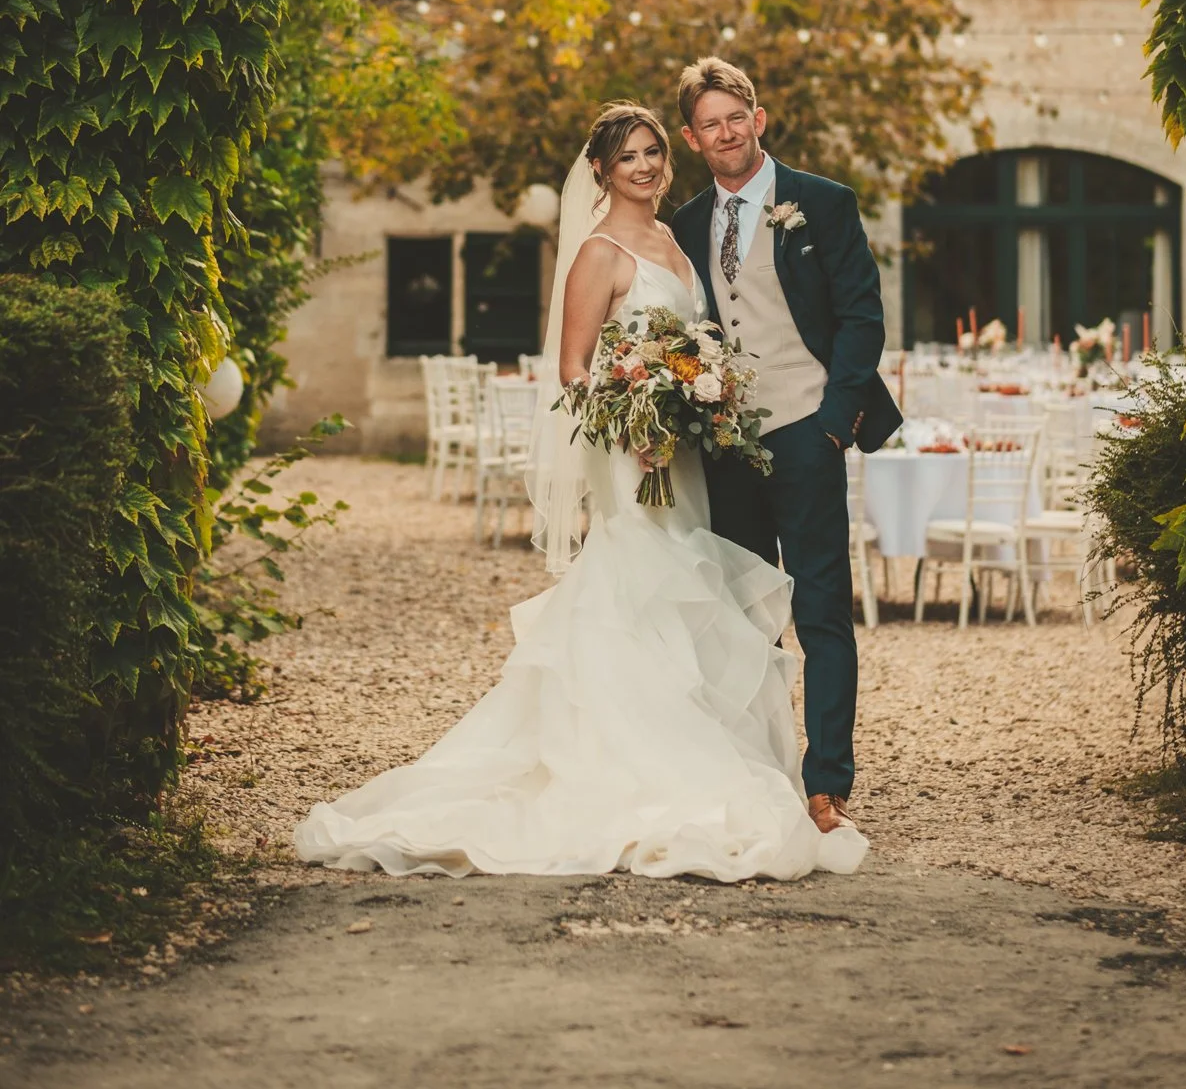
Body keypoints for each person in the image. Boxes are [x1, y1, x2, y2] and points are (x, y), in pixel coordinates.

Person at [295, 102, 868, 881]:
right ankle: (638, 767)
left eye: (654, 152)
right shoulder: (597, 252)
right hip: (636, 454)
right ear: (599, 169)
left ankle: (732, 759)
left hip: (693, 452)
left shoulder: (676, 236)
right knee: (643, 591)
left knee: (703, 599)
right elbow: (571, 367)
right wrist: (634, 415)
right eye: (628, 156)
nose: (644, 166)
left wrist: (689, 396)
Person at [671, 59, 901, 835]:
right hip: (725, 440)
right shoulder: (683, 223)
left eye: (737, 116)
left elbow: (863, 317)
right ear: (692, 136)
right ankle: (756, 767)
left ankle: (827, 779)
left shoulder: (824, 203)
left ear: (758, 119)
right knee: (742, 612)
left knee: (821, 610)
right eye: (710, 123)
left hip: (808, 428)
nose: (727, 132)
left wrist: (835, 421)